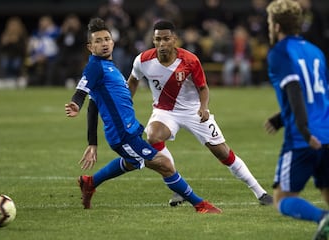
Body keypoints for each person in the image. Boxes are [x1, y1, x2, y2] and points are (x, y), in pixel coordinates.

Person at [64, 17, 222, 214]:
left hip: (130, 129)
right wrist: (76, 103)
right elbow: (82, 90)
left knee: (131, 162)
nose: (104, 44)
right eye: (98, 41)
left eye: (106, 39)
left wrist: (92, 142)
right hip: (122, 135)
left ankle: (90, 182)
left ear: (112, 42)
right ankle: (200, 205)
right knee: (164, 165)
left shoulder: (109, 67)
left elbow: (94, 104)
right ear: (90, 46)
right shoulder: (95, 67)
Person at [126, 20, 272, 206]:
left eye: (166, 39)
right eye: (157, 39)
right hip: (165, 112)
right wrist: (125, 105)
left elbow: (203, 88)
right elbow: (132, 81)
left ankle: (260, 193)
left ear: (174, 39)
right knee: (153, 136)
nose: (162, 44)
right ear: (153, 40)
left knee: (222, 153)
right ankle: (178, 187)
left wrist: (204, 108)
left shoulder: (190, 60)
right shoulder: (143, 60)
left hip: (193, 111)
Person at [264, 0, 329, 239]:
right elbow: (320, 93)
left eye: (270, 23)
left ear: (278, 26)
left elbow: (294, 89)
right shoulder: (316, 51)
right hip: (327, 131)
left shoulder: (280, 52)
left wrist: (302, 128)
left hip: (303, 138)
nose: (269, 27)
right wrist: (281, 118)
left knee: (282, 198)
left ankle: (323, 219)